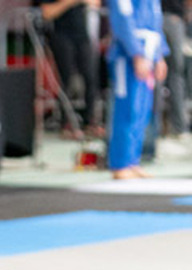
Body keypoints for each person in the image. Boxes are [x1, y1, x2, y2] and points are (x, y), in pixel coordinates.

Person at [107, 0, 169, 179]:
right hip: (127, 55)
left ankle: (132, 160)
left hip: (149, 51)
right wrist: (136, 53)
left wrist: (159, 56)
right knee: (127, 109)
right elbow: (122, 20)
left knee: (142, 110)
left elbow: (156, 23)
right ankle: (120, 163)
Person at [37, 0, 104, 137]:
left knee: (91, 77)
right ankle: (66, 123)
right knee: (66, 79)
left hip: (82, 35)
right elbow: (47, 12)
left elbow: (96, 3)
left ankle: (89, 121)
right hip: (61, 34)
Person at [157, 0, 188, 136]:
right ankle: (179, 127)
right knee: (176, 76)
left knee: (156, 77)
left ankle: (153, 129)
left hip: (154, 19)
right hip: (172, 19)